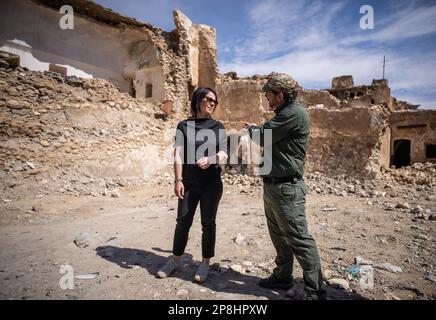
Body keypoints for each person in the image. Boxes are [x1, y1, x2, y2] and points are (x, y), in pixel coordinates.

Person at [243, 72, 327, 300]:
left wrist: (252, 129)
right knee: (279, 237)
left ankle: (316, 290)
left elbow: (263, 137)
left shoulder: (293, 113)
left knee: (299, 239)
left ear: (280, 95)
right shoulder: (283, 113)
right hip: (274, 187)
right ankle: (282, 276)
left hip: (286, 188)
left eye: (269, 95)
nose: (266, 100)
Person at [157, 87, 228, 283]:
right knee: (182, 223)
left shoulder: (218, 127)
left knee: (208, 223)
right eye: (209, 99)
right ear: (198, 99)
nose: (213, 103)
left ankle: (205, 262)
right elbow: (178, 154)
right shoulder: (183, 125)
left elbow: (224, 153)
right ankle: (176, 259)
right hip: (188, 182)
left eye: (215, 101)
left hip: (211, 184)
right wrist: (178, 180)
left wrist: (211, 159)